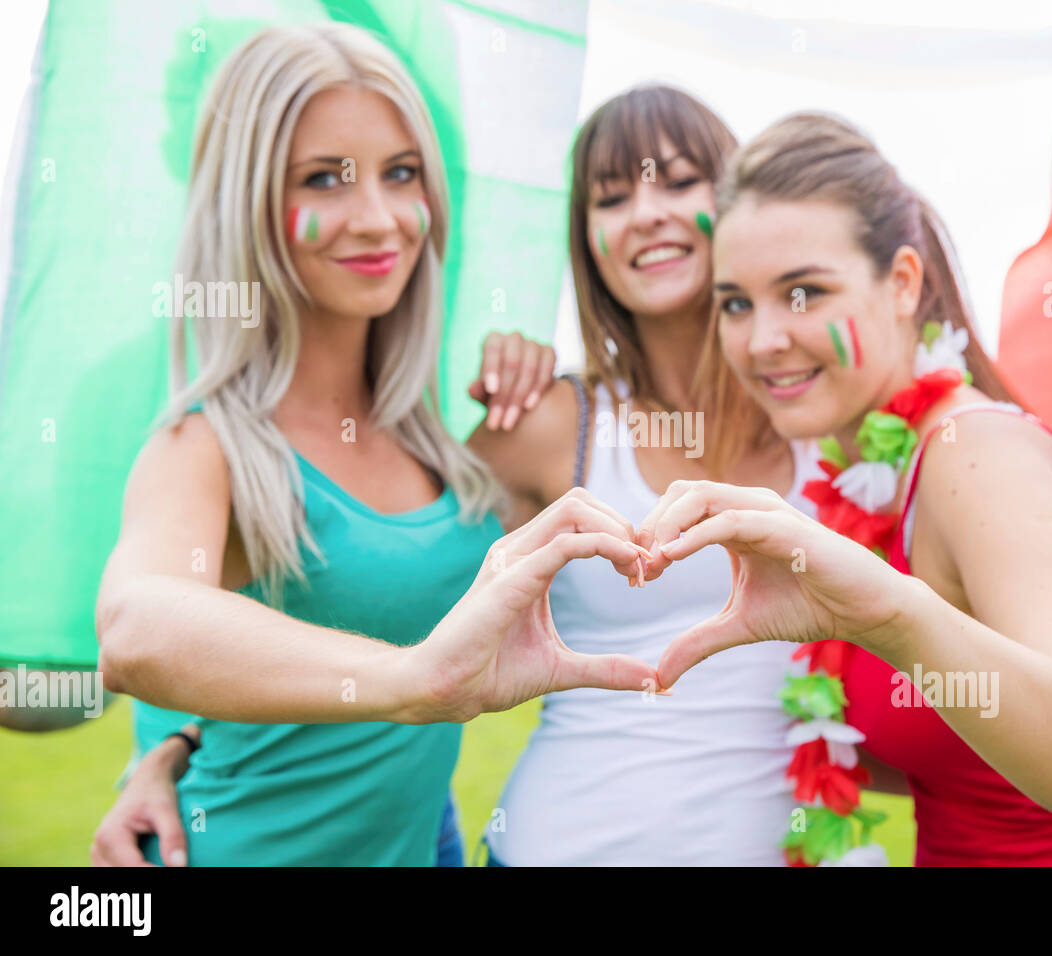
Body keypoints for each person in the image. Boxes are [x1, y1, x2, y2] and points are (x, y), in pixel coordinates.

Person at [95, 87, 1052, 868]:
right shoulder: (547, 422)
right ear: (583, 239)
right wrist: (178, 737)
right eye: (607, 193)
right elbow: (360, 565)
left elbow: (1009, 636)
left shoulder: (854, 443)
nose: (643, 210)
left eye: (678, 179)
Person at [91, 23, 656, 866]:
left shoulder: (441, 436)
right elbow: (138, 627)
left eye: (401, 174)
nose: (380, 217)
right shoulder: (204, 444)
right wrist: (416, 682)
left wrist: (167, 746)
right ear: (248, 203)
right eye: (325, 178)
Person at [642, 111, 1052, 864]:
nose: (763, 339)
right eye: (735, 303)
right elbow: (953, 741)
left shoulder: (976, 457)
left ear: (901, 283)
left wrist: (887, 615)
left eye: (804, 293)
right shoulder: (873, 482)